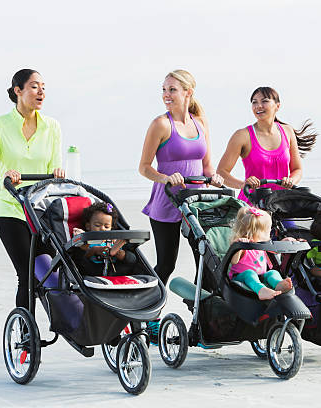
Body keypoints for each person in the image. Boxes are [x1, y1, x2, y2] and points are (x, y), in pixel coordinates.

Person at [138, 69, 223, 342]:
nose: (166, 95)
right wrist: (166, 177)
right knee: (166, 264)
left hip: (196, 203)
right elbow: (144, 167)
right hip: (167, 202)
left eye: (172, 90)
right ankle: (150, 318)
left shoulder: (200, 124)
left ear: (188, 92)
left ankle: (202, 320)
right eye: (164, 89)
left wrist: (215, 177)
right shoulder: (161, 125)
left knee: (206, 263)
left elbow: (207, 165)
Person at [0, 68, 65, 310]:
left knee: (60, 270)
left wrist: (59, 173)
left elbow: (55, 166)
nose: (41, 91)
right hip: (11, 209)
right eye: (34, 86)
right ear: (18, 91)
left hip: (42, 211)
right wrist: (5, 179)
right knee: (27, 275)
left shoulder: (52, 126)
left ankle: (70, 321)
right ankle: (26, 335)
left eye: (43, 87)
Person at [217, 86, 318, 203]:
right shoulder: (242, 136)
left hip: (282, 204)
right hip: (253, 206)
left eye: (264, 101)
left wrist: (291, 181)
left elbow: (297, 169)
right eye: (254, 102)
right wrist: (244, 184)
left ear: (277, 106)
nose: (258, 106)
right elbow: (221, 173)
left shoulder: (287, 131)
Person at [229, 206, 293, 300]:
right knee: (250, 273)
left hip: (261, 276)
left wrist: (285, 242)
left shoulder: (261, 244)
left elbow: (275, 250)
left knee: (272, 272)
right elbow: (234, 261)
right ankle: (261, 290)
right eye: (267, 231)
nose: (270, 233)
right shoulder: (241, 245)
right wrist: (239, 247)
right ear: (256, 233)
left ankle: (278, 284)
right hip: (241, 277)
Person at [71, 202, 137, 275]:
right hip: (93, 270)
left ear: (111, 228)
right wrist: (95, 250)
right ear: (88, 226)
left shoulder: (114, 239)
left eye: (106, 227)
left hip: (115, 269)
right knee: (80, 255)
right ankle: (85, 244)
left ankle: (116, 251)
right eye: (97, 225)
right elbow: (81, 258)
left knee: (132, 258)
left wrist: (118, 254)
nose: (102, 228)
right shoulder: (89, 238)